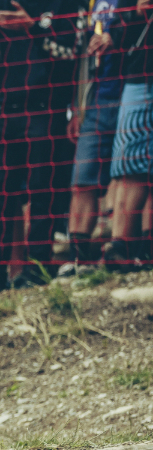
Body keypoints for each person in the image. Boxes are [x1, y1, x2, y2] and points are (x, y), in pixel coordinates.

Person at [0, 0, 81, 290]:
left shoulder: (67, 4)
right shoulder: (6, 3)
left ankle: (37, 270)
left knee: (41, 192)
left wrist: (31, 28)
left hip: (46, 109)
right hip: (7, 108)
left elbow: (71, 52)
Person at [60, 0, 126, 276]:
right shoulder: (90, 4)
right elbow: (81, 58)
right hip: (95, 99)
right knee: (82, 178)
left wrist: (117, 38)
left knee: (128, 174)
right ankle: (78, 258)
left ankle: (124, 249)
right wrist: (77, 107)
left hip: (131, 92)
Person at [106, 0, 153, 269]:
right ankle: (121, 245)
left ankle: (144, 246)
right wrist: (135, 13)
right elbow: (116, 33)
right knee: (130, 161)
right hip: (139, 75)